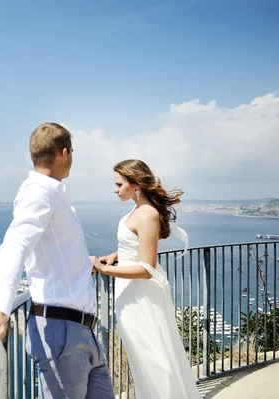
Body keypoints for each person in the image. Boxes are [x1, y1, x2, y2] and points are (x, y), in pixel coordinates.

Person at [0, 122, 115, 399]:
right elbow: (15, 243)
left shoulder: (54, 192)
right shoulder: (38, 192)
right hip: (61, 332)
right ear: (64, 153)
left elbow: (53, 249)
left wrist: (85, 263)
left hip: (82, 331)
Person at [95, 159, 200, 399]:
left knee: (153, 359)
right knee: (141, 359)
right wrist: (115, 255)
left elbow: (147, 268)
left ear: (136, 184)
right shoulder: (138, 210)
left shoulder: (147, 214)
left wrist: (104, 271)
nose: (115, 190)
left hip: (141, 296)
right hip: (131, 293)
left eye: (119, 184)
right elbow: (136, 245)